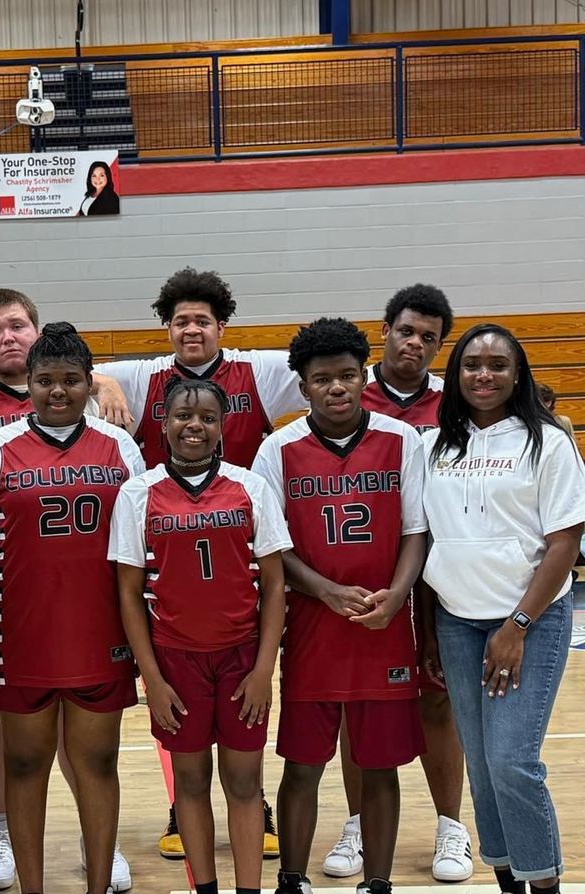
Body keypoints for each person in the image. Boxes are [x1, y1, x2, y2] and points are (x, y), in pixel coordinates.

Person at [0, 289, 133, 892]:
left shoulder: (120, 447)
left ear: (91, 384)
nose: (57, 391)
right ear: (29, 384)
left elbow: (136, 555)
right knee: (25, 763)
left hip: (100, 635)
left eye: (70, 380)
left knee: (97, 763)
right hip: (18, 637)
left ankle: (99, 872)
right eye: (45, 381)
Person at [94, 267, 304, 859]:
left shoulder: (255, 370)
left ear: (221, 327)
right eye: (181, 320)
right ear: (167, 327)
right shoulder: (144, 376)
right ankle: (182, 807)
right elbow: (70, 365)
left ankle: (252, 805)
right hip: (172, 539)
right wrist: (102, 381)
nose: (191, 329)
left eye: (202, 321)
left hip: (241, 536)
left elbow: (329, 371)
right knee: (187, 731)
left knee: (242, 738)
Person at [252, 317, 428, 894]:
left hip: (384, 627)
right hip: (310, 629)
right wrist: (324, 590)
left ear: (363, 377)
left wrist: (398, 595)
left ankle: (377, 881)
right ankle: (292, 879)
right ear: (301, 386)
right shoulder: (276, 450)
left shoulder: (402, 441)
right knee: (303, 764)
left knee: (379, 766)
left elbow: (415, 532)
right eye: (322, 379)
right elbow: (270, 549)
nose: (337, 388)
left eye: (348, 376)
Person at [421, 324, 585, 894]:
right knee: (485, 770)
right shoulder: (432, 444)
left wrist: (516, 625)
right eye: (471, 365)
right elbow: (422, 540)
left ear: (518, 375)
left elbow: (565, 540)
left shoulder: (547, 441)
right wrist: (425, 634)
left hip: (530, 620)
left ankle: (544, 885)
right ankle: (508, 882)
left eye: (497, 365)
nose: (483, 375)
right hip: (457, 622)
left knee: (513, 760)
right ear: (455, 374)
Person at [111, 376, 291, 894]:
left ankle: (250, 889)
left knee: (243, 784)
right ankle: (205, 888)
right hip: (175, 661)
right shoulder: (138, 492)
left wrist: (263, 670)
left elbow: (275, 585)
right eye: (183, 417)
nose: (195, 426)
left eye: (208, 418)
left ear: (223, 424)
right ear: (163, 424)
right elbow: (128, 593)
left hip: (240, 660)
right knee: (189, 784)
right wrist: (152, 679)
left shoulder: (250, 487)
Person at [323, 284, 472, 883]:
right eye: (406, 330)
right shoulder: (347, 392)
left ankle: (451, 829)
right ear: (384, 329)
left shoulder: (453, 404)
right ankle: (358, 824)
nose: (415, 344)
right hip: (362, 576)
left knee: (439, 699)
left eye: (429, 338)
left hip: (437, 575)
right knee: (354, 704)